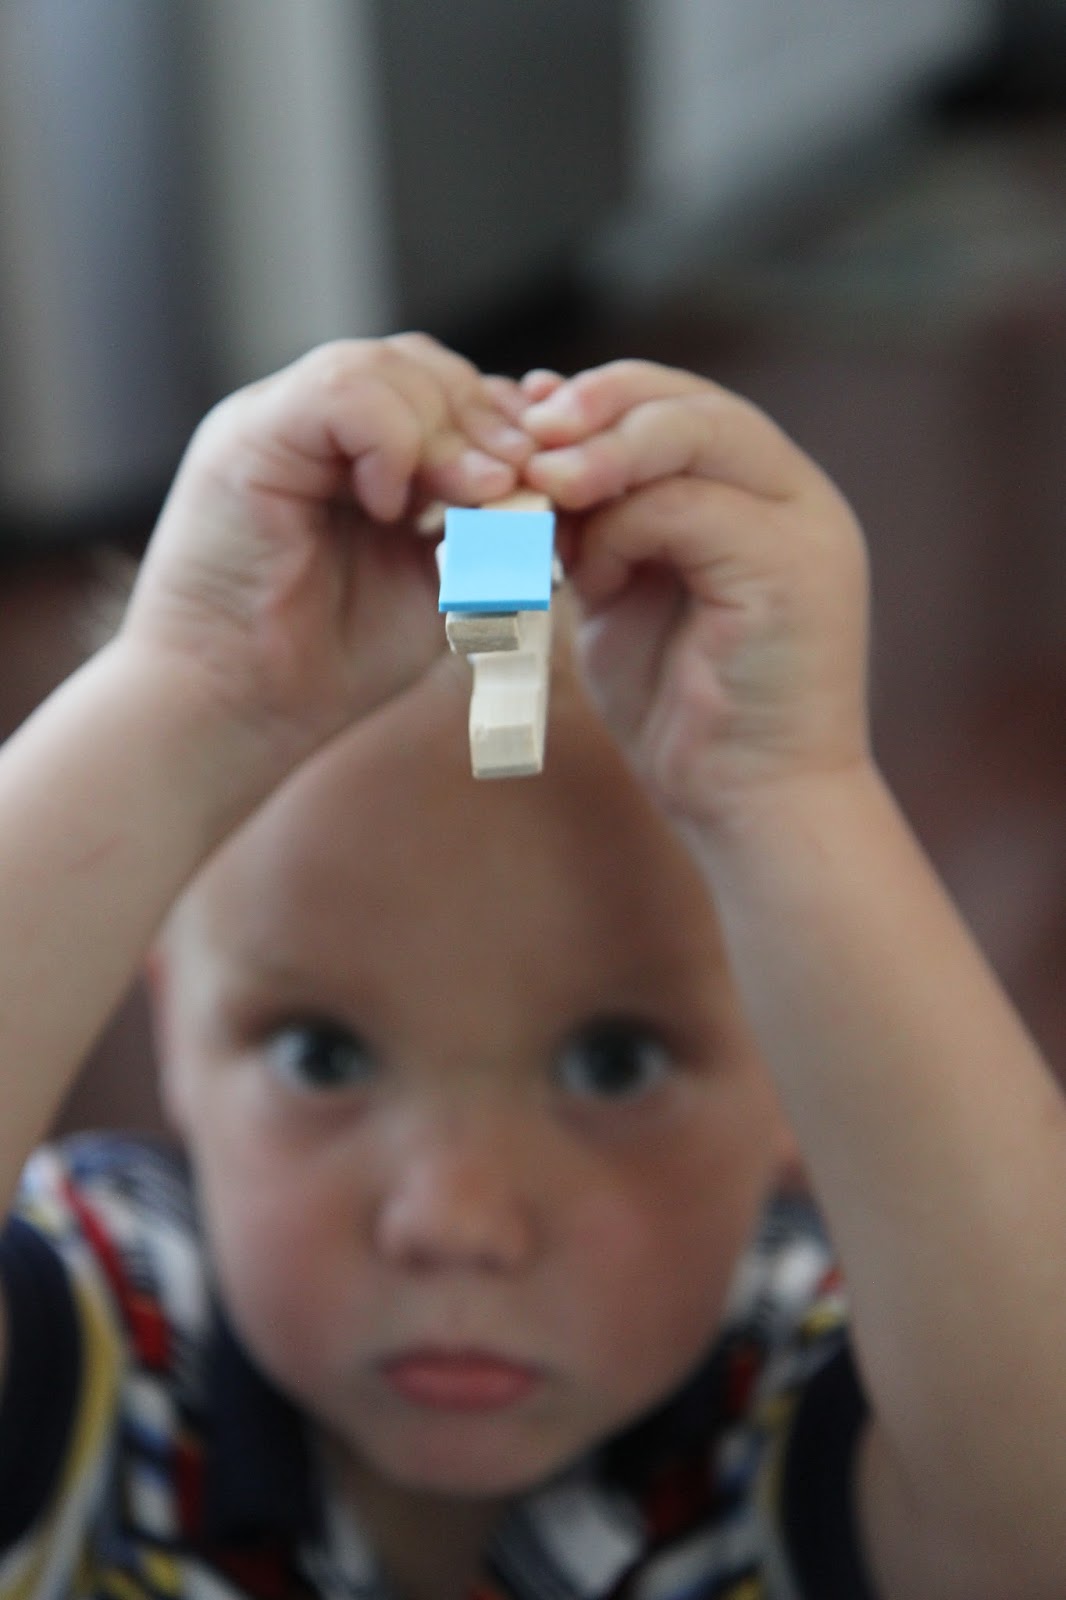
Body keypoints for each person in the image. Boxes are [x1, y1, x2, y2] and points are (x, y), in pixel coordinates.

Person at [0, 334, 1064, 1600]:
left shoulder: (808, 1392)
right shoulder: (123, 1322)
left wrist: (792, 788)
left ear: (798, 1056)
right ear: (173, 1032)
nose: (452, 1221)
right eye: (318, 1055)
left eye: (614, 1063)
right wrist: (188, 691)